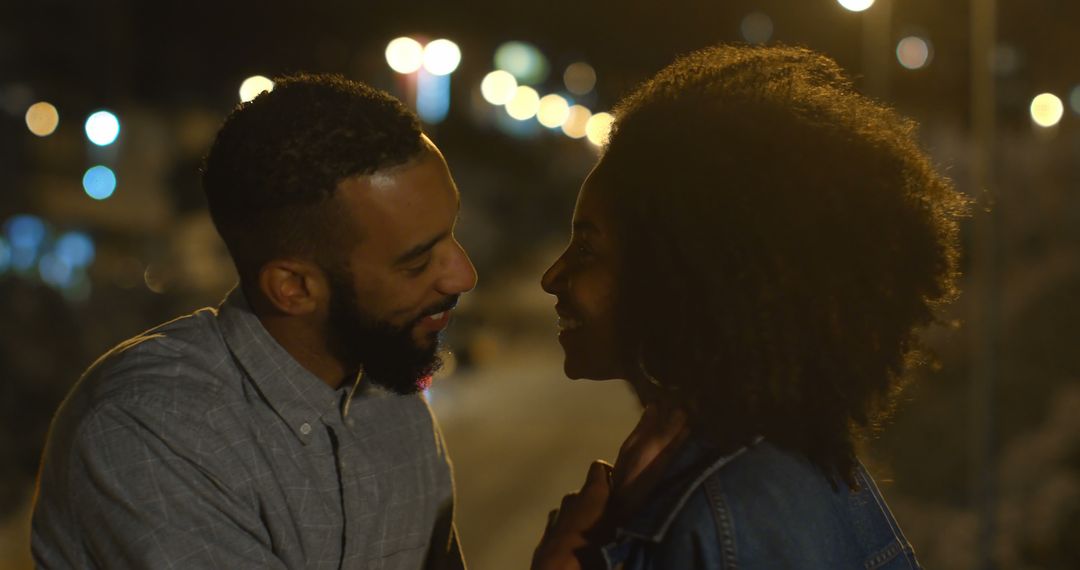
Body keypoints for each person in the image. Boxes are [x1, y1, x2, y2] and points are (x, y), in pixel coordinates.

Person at [539, 44, 968, 569]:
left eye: (587, 249)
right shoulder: (769, 468)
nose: (551, 276)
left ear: (678, 273)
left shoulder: (724, 511)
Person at [32, 74, 477, 569]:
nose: (463, 274)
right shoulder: (150, 428)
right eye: (416, 262)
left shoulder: (389, 397)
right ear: (293, 287)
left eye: (451, 233)